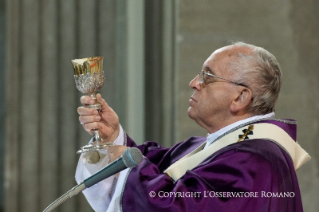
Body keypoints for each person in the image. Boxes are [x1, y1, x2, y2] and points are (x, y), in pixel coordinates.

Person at [75, 42, 310, 212]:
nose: (194, 83)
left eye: (207, 76)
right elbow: (155, 167)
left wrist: (129, 164)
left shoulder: (255, 162)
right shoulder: (215, 148)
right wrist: (113, 137)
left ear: (240, 97)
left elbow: (179, 207)